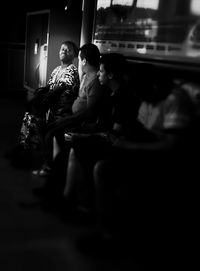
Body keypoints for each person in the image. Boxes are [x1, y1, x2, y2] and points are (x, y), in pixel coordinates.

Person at [93, 79, 200, 243]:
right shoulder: (148, 99)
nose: (141, 98)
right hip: (144, 150)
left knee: (106, 169)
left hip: (166, 159)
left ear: (154, 87)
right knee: (100, 160)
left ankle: (111, 233)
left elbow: (171, 145)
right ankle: (106, 229)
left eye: (142, 94)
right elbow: (141, 128)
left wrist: (130, 145)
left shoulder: (174, 100)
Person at [35, 53, 143, 214]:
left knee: (73, 148)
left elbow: (113, 134)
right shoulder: (110, 93)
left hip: (116, 144)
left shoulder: (122, 99)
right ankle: (56, 194)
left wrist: (84, 135)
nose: (98, 74)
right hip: (104, 135)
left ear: (111, 75)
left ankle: (69, 200)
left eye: (101, 71)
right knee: (65, 147)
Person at [32, 43, 104, 177]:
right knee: (42, 125)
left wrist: (67, 118)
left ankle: (53, 169)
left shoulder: (94, 81)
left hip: (80, 120)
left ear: (84, 60)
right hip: (71, 114)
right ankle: (49, 165)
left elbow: (89, 111)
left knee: (50, 132)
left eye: (80, 58)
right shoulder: (85, 76)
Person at [7, 40, 80, 168]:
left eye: (68, 49)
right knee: (29, 116)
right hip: (51, 111)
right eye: (62, 48)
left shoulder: (72, 70)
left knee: (34, 119)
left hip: (61, 113)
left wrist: (40, 100)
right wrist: (41, 91)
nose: (64, 51)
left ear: (74, 55)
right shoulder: (57, 69)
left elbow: (59, 88)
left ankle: (27, 152)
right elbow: (49, 87)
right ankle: (23, 148)